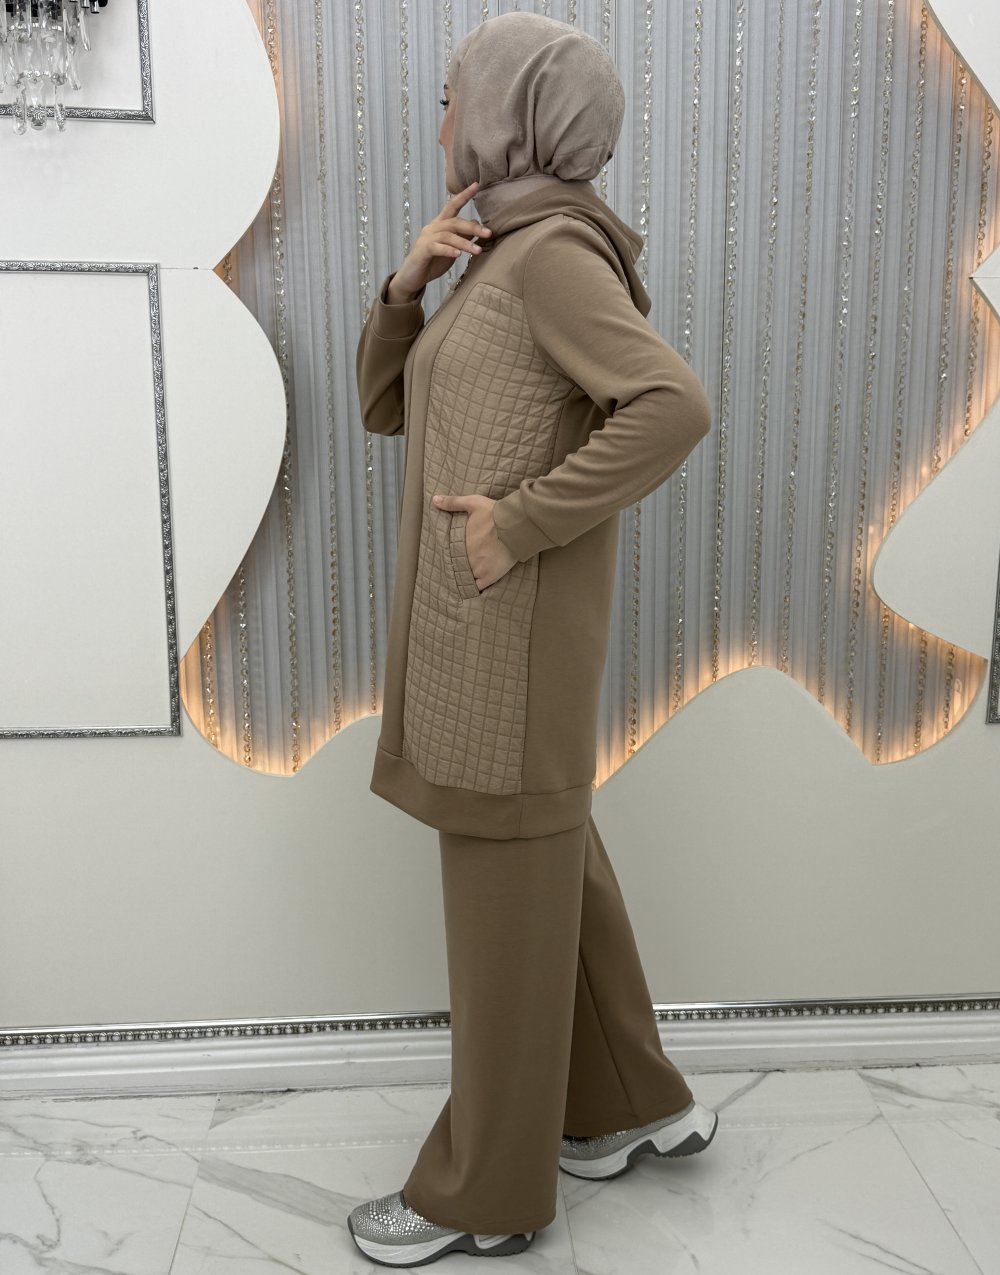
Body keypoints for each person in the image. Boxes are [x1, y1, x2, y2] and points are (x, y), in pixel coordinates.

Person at [349, 11, 715, 1267]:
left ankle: (483, 1194)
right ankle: (627, 1104)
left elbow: (671, 405)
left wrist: (519, 522)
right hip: (486, 641)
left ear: (512, 111)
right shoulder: (497, 252)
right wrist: (406, 289)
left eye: (454, 98)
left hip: (507, 646)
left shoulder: (552, 253)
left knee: (503, 916)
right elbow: (388, 408)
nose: (441, 123)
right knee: (550, 867)